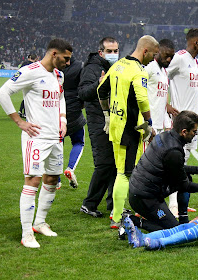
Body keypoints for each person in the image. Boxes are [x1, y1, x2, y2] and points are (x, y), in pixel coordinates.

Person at [0, 38, 72, 248]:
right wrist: (20, 122)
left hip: (56, 137)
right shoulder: (30, 71)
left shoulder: (59, 75)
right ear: (54, 54)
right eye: (65, 58)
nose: (67, 63)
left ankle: (40, 223)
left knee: (52, 179)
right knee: (33, 181)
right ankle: (27, 233)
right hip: (36, 138)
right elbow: (2, 93)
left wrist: (63, 120)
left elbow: (61, 97)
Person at [98, 35, 159, 228]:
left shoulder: (118, 65)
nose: (153, 59)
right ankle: (117, 217)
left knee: (121, 170)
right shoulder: (138, 70)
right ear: (145, 51)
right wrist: (149, 121)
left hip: (115, 126)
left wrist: (107, 114)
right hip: (129, 129)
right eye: (153, 55)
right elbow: (142, 99)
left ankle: (120, 213)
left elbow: (101, 90)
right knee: (125, 173)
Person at [126, 111, 198, 232]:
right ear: (184, 131)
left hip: (142, 190)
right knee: (175, 231)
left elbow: (176, 168)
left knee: (186, 176)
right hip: (145, 199)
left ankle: (183, 217)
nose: (195, 134)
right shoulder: (174, 151)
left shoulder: (164, 136)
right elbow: (184, 185)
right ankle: (133, 221)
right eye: (194, 132)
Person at [166, 28, 198, 223]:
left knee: (184, 161)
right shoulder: (180, 57)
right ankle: (173, 205)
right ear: (195, 43)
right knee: (176, 163)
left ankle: (177, 202)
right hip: (181, 120)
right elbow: (162, 75)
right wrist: (165, 102)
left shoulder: (195, 61)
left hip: (193, 121)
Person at [78, 37, 119, 218]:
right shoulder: (92, 68)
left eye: (115, 51)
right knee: (104, 164)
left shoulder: (115, 67)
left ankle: (113, 204)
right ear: (101, 52)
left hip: (113, 121)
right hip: (97, 122)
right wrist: (99, 83)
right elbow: (83, 93)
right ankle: (89, 204)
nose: (113, 54)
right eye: (109, 51)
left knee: (114, 164)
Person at [144, 38, 177, 135]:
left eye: (171, 57)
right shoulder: (148, 67)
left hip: (160, 126)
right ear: (158, 51)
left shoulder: (164, 72)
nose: (169, 59)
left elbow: (162, 99)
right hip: (149, 125)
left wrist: (167, 123)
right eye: (166, 55)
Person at [61, 56, 85, 189]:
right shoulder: (79, 67)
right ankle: (70, 168)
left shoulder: (54, 66)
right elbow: (83, 88)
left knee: (58, 145)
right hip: (74, 110)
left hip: (57, 111)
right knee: (78, 142)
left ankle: (56, 179)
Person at [18, 54, 40, 118]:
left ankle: (20, 111)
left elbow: (20, 71)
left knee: (26, 97)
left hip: (23, 81)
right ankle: (26, 113)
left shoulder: (24, 63)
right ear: (35, 58)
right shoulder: (35, 65)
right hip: (31, 82)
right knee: (29, 97)